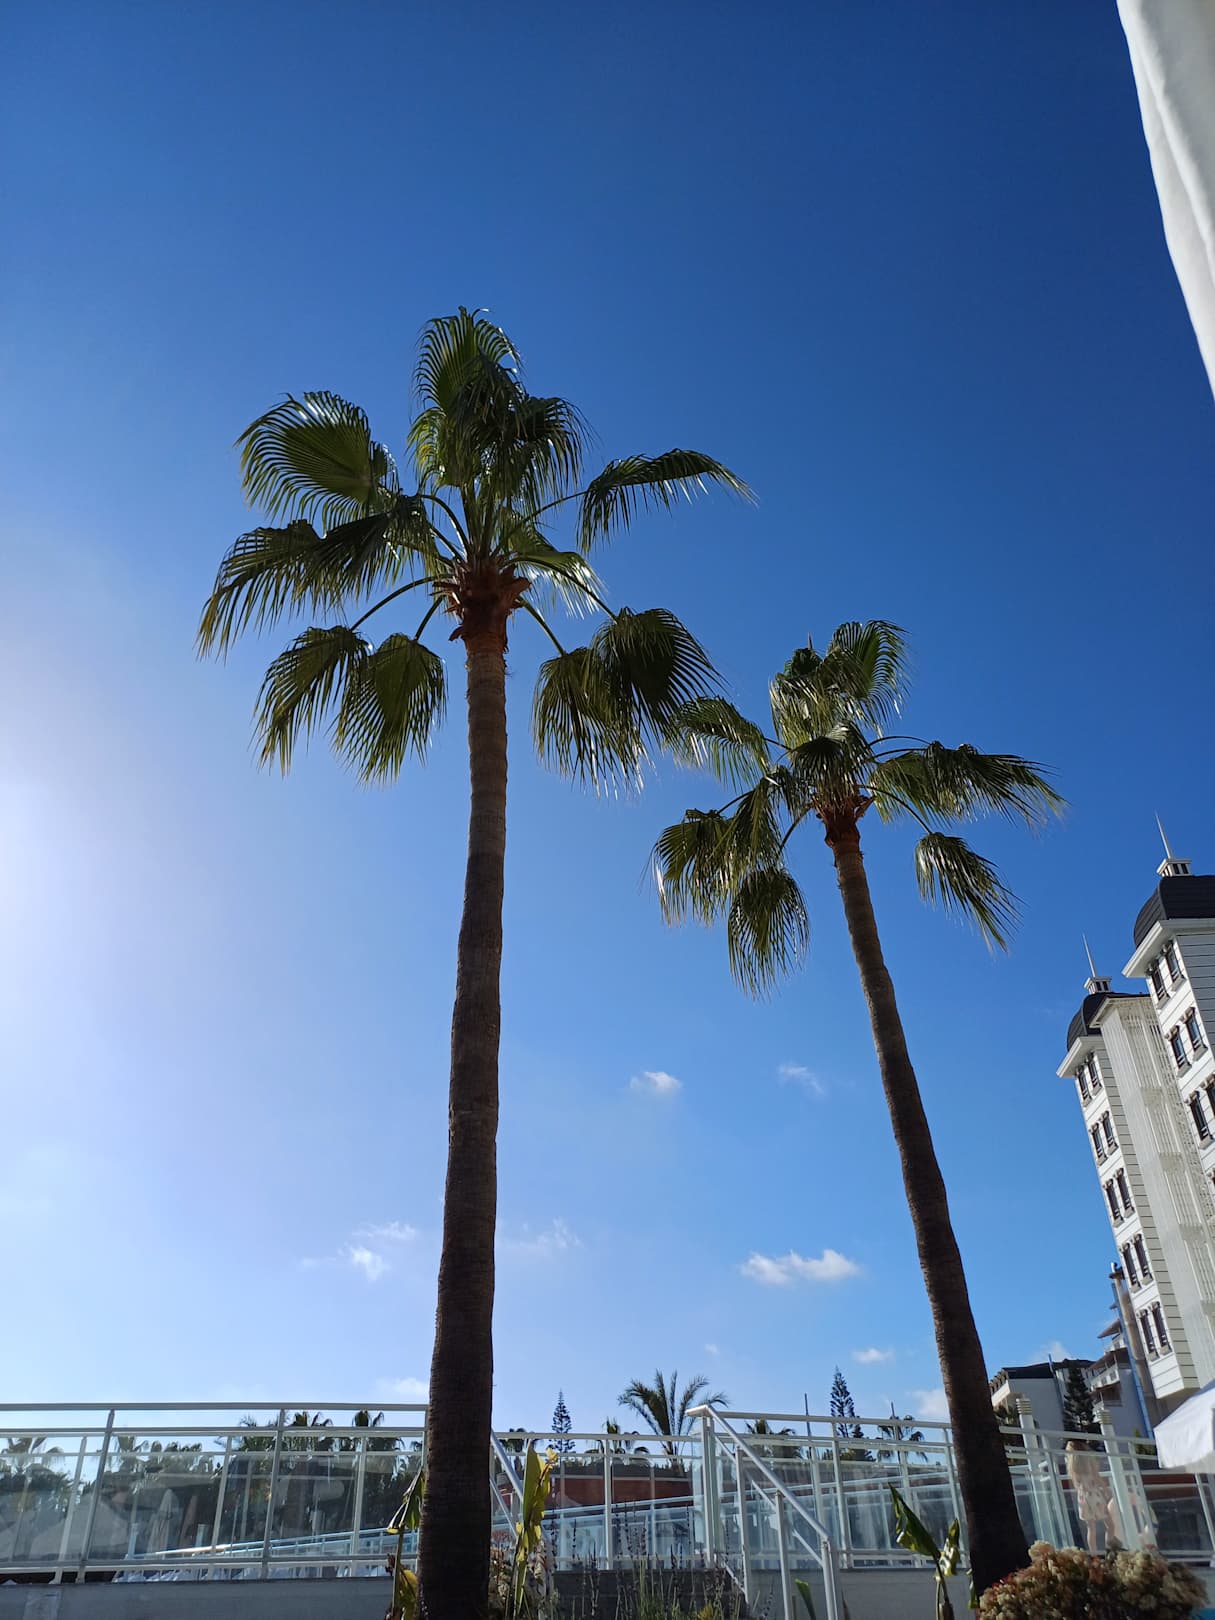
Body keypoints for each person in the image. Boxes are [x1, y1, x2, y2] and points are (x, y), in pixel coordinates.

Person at [1066, 1441, 1121, 1553]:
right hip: (1094, 1494)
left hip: (1082, 1497)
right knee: (1110, 1525)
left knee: (1091, 1528)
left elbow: (1076, 1483)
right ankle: (1109, 1550)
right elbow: (1096, 1476)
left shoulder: (1072, 1464)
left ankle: (1094, 1554)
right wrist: (1106, 1489)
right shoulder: (1088, 1459)